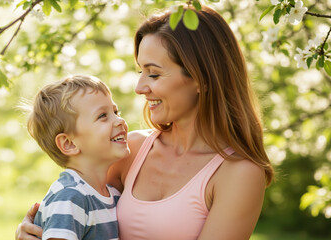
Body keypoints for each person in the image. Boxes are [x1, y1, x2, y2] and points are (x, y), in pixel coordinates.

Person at [16, 5, 274, 240]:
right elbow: (75, 204)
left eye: (153, 73)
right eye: (140, 71)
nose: (140, 87)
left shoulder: (238, 173)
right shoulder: (131, 150)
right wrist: (31, 230)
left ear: (201, 78)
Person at [25, 75, 130, 240]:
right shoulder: (69, 198)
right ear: (69, 143)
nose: (120, 120)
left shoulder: (113, 195)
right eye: (103, 115)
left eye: (116, 112)